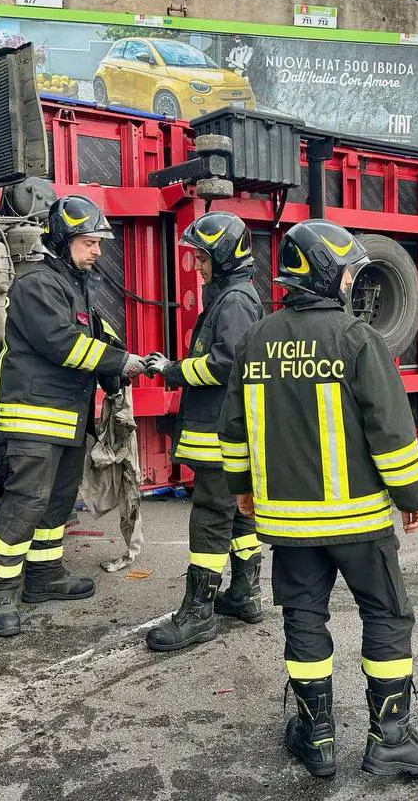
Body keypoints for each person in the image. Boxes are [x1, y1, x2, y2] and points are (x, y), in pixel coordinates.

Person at [216, 219, 418, 779]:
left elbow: (234, 431)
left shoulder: (257, 340)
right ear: (326, 273)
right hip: (360, 522)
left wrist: (242, 491)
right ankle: (389, 736)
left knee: (304, 617)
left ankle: (315, 737)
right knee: (386, 614)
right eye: (346, 272)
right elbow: (390, 427)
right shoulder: (356, 338)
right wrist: (409, 494)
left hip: (288, 526)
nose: (349, 282)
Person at [0, 194, 149, 638]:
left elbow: (95, 332)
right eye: (88, 242)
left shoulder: (73, 283)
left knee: (57, 501)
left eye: (98, 242)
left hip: (67, 417)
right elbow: (62, 342)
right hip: (35, 416)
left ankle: (44, 577)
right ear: (62, 240)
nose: (97, 251)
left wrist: (123, 363)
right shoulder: (35, 284)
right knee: (27, 502)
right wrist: (119, 362)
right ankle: (1, 590)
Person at [143, 210, 265, 652]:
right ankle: (245, 595)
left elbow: (226, 363)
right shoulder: (234, 296)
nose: (197, 265)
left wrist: (171, 370)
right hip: (225, 430)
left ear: (223, 256)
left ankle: (198, 613)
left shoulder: (232, 300)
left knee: (211, 520)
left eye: (202, 257)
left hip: (219, 433)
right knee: (235, 515)